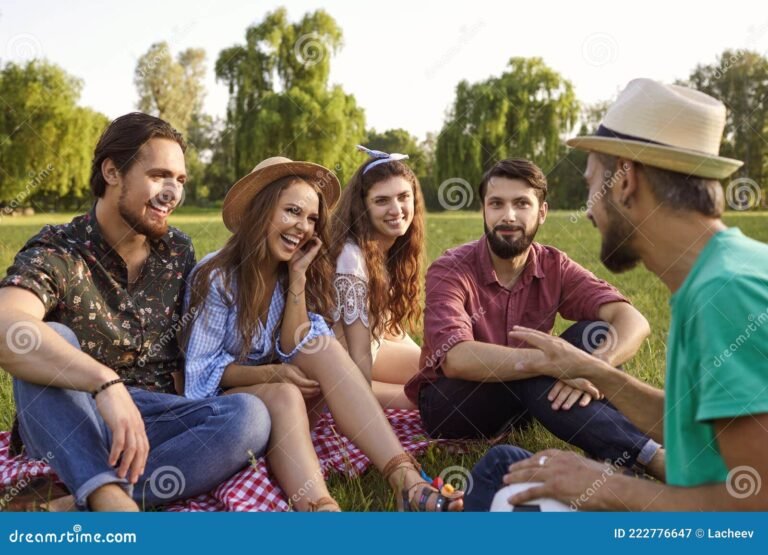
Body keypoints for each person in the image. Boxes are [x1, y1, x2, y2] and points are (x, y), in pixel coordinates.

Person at [494, 78, 768, 510]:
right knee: (501, 468)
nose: (588, 209)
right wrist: (598, 372)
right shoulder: (728, 270)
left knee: (502, 496)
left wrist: (606, 486)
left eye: (592, 185)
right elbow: (700, 429)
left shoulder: (727, 295)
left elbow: (758, 508)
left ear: (624, 181)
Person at [0, 113, 271, 511]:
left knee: (250, 416)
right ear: (112, 171)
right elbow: (8, 328)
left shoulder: (177, 250)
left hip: (150, 420)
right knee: (53, 337)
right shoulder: (59, 249)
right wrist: (104, 383)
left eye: (179, 180)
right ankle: (112, 502)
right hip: (70, 411)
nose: (172, 193)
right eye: (159, 175)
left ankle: (81, 500)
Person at [182, 156, 463, 511]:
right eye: (292, 211)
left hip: (292, 395)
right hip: (230, 410)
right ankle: (322, 509)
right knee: (284, 394)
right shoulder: (217, 276)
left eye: (311, 218)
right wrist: (271, 373)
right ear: (261, 210)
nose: (302, 226)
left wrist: (298, 278)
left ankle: (406, 480)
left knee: (323, 348)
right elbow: (200, 375)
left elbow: (298, 344)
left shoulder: (295, 271)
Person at [402, 157, 666, 508]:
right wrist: (553, 363)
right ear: (483, 210)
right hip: (452, 405)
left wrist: (595, 365)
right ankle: (651, 456)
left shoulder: (553, 264)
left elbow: (632, 319)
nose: (508, 216)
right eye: (496, 204)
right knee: (532, 367)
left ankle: (615, 462)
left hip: (525, 399)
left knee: (595, 332)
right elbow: (455, 358)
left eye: (521, 204)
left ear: (542, 212)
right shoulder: (451, 269)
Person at [329, 146, 426, 410]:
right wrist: (363, 405)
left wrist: (429, 361)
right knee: (433, 399)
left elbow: (388, 327)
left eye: (403, 197)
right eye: (382, 201)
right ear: (364, 208)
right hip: (339, 376)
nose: (396, 209)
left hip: (374, 352)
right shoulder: (351, 258)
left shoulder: (389, 248)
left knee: (438, 373)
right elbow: (356, 353)